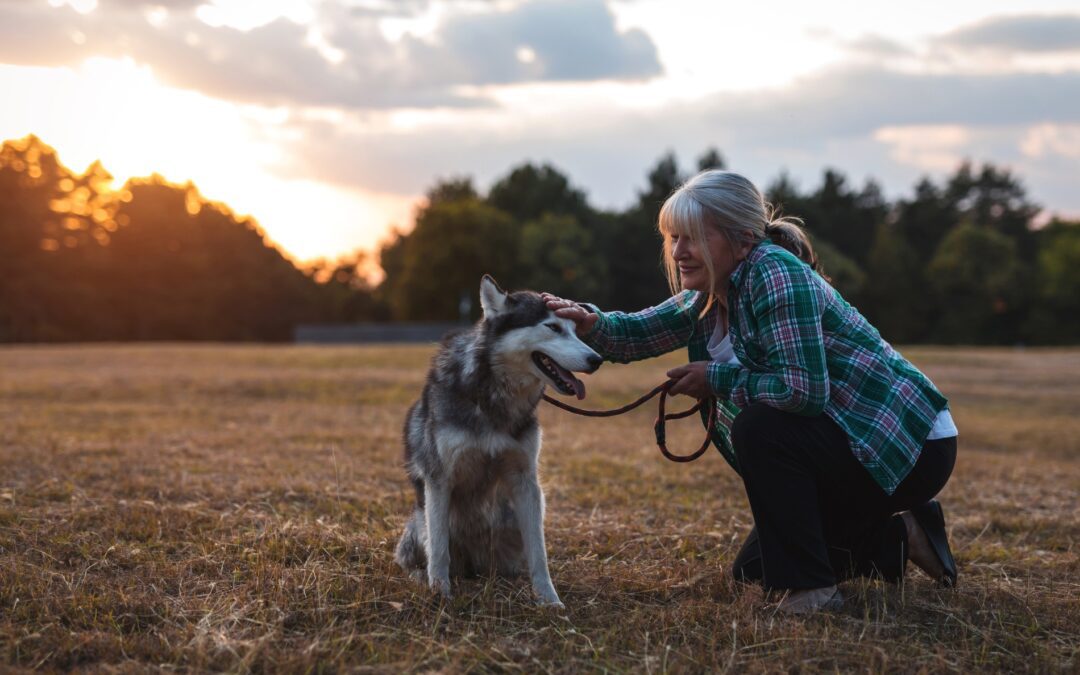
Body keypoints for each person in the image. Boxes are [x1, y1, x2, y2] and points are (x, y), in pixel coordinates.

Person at [543, 170, 958, 614]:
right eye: (674, 238)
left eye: (693, 237)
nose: (679, 252)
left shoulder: (776, 274)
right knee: (755, 571)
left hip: (905, 446)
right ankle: (906, 534)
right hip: (845, 444)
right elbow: (638, 332)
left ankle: (815, 592)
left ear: (742, 240)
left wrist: (715, 379)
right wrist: (590, 322)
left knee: (760, 426)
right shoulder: (710, 291)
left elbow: (803, 392)